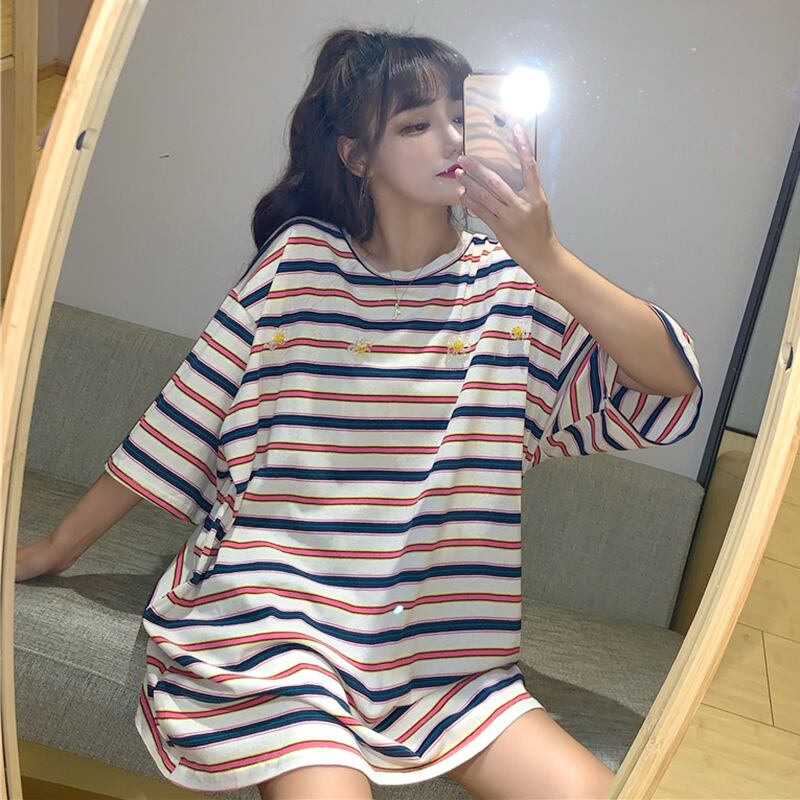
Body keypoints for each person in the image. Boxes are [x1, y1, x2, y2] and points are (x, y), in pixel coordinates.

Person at [17, 25, 703, 800]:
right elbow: (183, 417)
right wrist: (55, 549)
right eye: (415, 124)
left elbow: (668, 386)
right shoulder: (299, 264)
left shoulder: (509, 291)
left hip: (443, 652)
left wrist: (545, 255)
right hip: (278, 625)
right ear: (356, 156)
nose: (451, 139)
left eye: (458, 115)